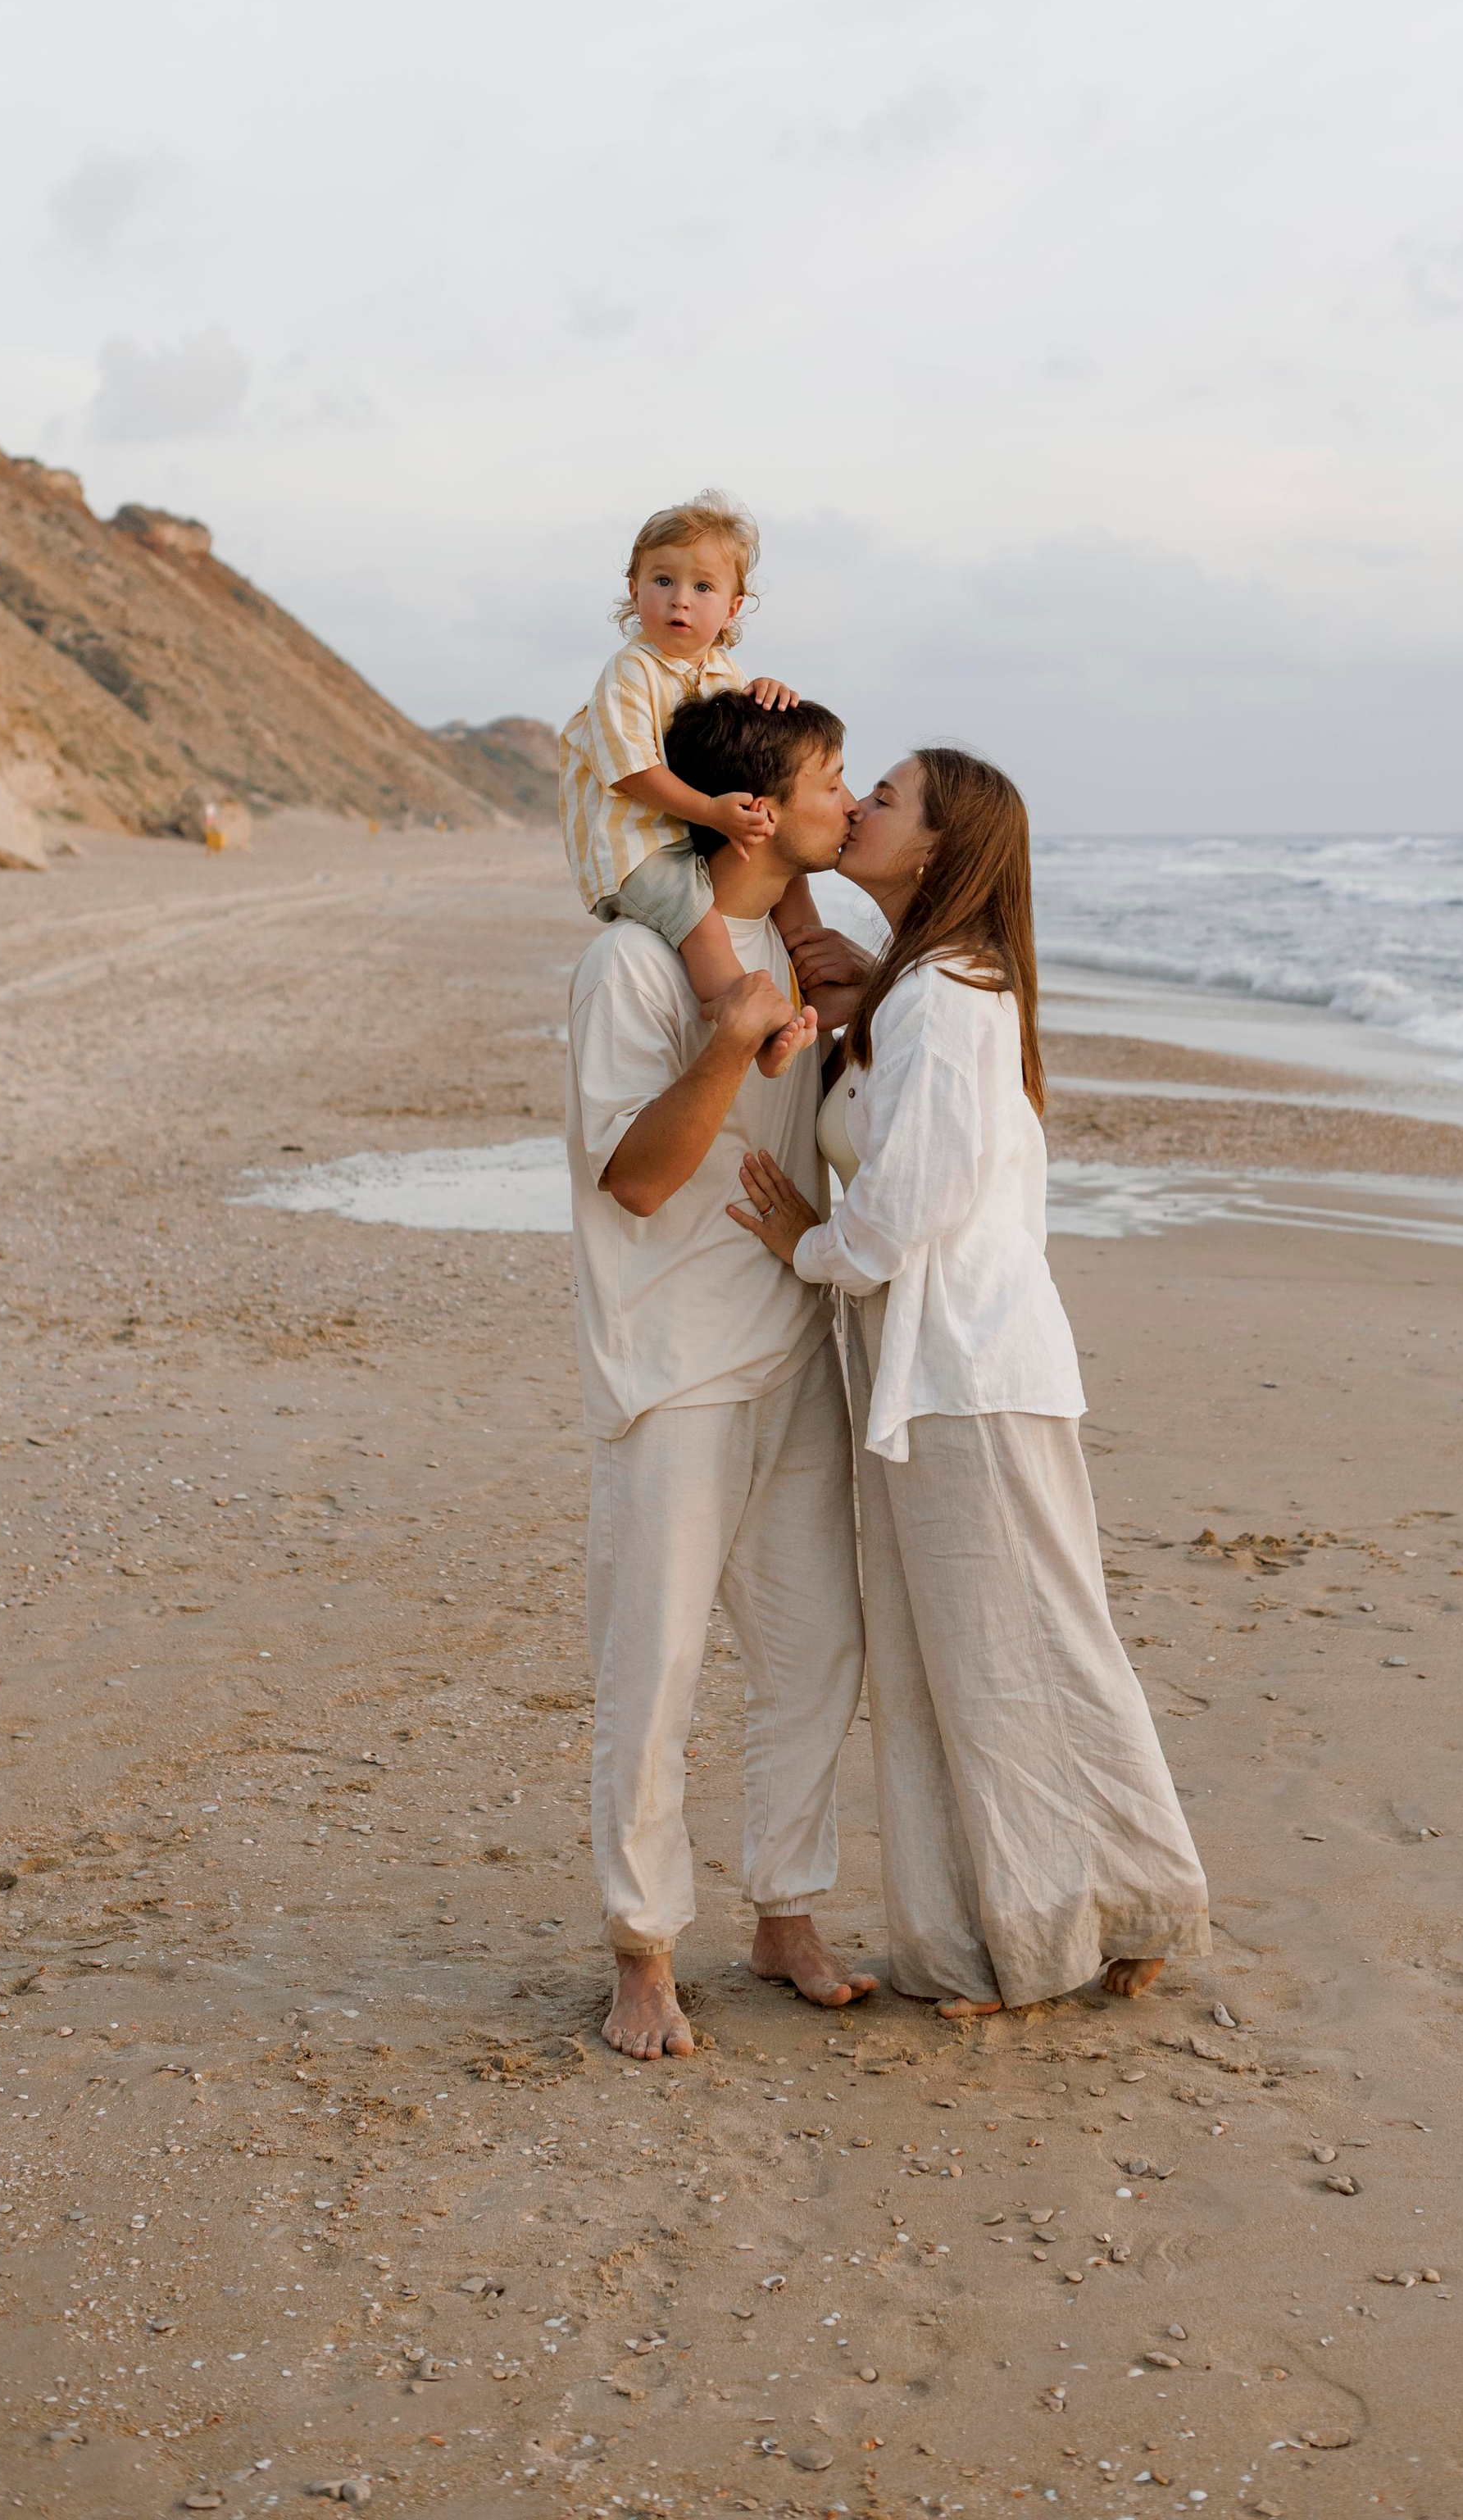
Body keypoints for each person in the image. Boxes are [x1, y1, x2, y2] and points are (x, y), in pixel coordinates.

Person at [729, 749, 1211, 2017]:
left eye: (884, 797)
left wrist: (806, 1248)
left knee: (1022, 1655)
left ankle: (1102, 1914)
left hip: (967, 1371)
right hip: (929, 1369)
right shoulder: (918, 986)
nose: (863, 808)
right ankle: (1021, 1932)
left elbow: (911, 1209)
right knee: (962, 1663)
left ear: (938, 848)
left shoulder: (947, 992)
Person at [564, 687, 875, 2057]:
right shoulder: (635, 965)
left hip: (794, 1348)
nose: (849, 803)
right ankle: (643, 1948)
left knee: (816, 1649)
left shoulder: (817, 945)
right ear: (762, 807)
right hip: (673, 1366)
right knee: (659, 1669)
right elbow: (632, 1181)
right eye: (831, 780)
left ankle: (786, 1909)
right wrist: (731, 1035)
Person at [554, 489, 821, 1069]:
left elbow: (743, 743)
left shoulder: (726, 670)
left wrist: (767, 694)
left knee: (783, 875)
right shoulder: (631, 670)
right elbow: (634, 775)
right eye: (662, 581)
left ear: (733, 607)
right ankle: (746, 1030)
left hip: (690, 832)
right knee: (702, 924)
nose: (680, 600)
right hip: (636, 846)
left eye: (703, 587)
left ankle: (817, 978)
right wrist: (712, 814)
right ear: (634, 587)